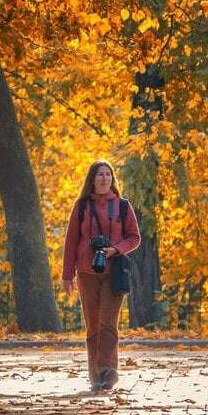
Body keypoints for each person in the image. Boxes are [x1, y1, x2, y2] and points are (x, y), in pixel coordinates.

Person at [62, 159, 141, 391]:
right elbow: (70, 242)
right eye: (100, 174)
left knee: (108, 323)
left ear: (112, 179)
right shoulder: (81, 207)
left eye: (108, 174)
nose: (104, 178)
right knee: (93, 324)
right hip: (86, 273)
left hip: (113, 272)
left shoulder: (122, 206)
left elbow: (134, 237)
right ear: (92, 179)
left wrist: (115, 249)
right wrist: (68, 275)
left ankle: (108, 371)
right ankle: (96, 374)